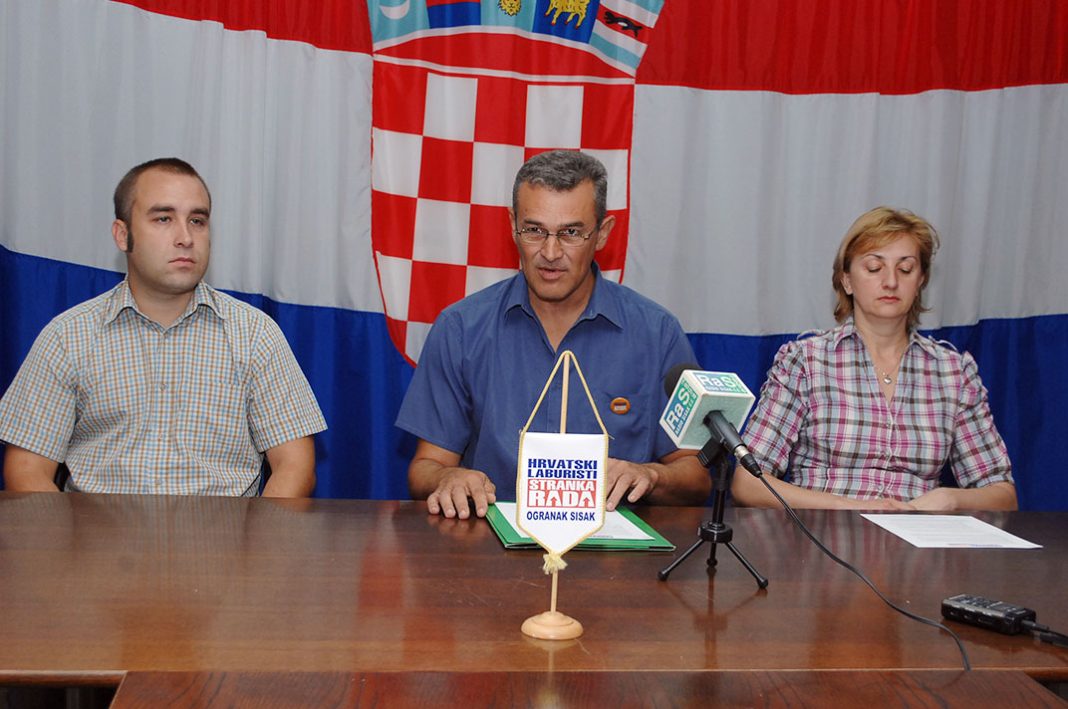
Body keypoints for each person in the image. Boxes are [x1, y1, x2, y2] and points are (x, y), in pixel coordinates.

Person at [396, 150, 711, 518]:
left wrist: (651, 476)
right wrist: (448, 478)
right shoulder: (461, 329)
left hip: (616, 546)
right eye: (534, 230)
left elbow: (696, 475)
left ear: (602, 234)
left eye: (571, 233)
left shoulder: (657, 333)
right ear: (513, 226)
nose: (550, 252)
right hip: (490, 542)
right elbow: (426, 467)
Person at [0, 158, 326, 497]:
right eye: (163, 219)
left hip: (225, 532)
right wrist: (69, 535)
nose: (185, 237)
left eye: (197, 221)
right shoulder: (68, 336)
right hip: (97, 531)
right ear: (123, 235)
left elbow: (295, 467)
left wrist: (256, 533)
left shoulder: (255, 334)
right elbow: (26, 470)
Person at [731, 206, 1016, 511]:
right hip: (822, 531)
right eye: (874, 267)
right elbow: (748, 483)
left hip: (918, 537)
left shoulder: (953, 372)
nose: (891, 281)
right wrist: (851, 506)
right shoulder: (805, 361)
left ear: (921, 281)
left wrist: (949, 499)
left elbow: (1003, 496)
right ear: (847, 281)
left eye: (905, 269)